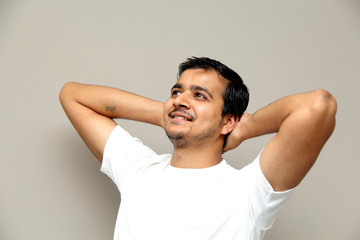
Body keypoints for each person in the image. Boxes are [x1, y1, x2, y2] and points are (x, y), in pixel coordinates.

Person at [59, 57, 337, 240]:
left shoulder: (250, 191)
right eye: (176, 92)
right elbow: (72, 95)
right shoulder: (137, 168)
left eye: (200, 95)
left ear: (228, 120)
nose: (180, 99)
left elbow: (318, 106)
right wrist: (167, 113)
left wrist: (244, 128)